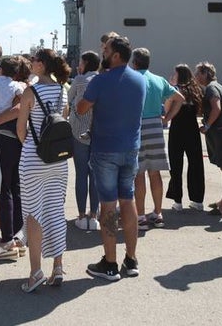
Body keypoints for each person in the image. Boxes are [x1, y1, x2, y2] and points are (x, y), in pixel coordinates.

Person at [78, 34, 145, 282]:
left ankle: (110, 263)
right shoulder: (139, 80)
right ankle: (131, 259)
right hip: (131, 148)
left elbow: (81, 108)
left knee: (108, 205)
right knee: (128, 200)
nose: (102, 54)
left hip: (105, 148)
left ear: (116, 55)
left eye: (106, 50)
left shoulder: (101, 80)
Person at [17, 48, 71, 292]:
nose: (31, 62)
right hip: (58, 159)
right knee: (56, 210)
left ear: (42, 65)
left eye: (34, 60)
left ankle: (35, 272)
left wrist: (30, 146)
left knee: (33, 214)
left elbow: (21, 129)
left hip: (33, 157)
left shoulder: (30, 91)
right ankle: (58, 266)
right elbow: (62, 121)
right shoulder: (62, 90)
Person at [131, 47, 183, 229]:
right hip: (155, 126)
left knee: (138, 174)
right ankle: (158, 213)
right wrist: (167, 118)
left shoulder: (132, 79)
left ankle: (140, 216)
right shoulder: (158, 80)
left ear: (134, 62)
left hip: (136, 127)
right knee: (155, 172)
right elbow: (179, 98)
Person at [0, 54, 29, 259]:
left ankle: (7, 241)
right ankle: (19, 238)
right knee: (15, 187)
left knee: (3, 189)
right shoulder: (19, 87)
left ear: (1, 69)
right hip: (16, 137)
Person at [68, 51, 100, 230]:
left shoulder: (80, 80)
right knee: (95, 175)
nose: (79, 65)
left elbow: (69, 98)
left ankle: (81, 216)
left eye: (80, 62)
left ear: (86, 63)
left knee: (81, 174)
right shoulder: (102, 79)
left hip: (78, 132)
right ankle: (93, 216)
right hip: (98, 133)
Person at [196, 62, 222, 216]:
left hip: (221, 134)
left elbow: (216, 108)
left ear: (206, 73)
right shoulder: (217, 86)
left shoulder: (211, 88)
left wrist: (207, 126)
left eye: (198, 73)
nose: (196, 76)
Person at [166, 64, 204, 212]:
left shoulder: (175, 91)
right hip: (192, 130)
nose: (172, 76)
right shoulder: (196, 91)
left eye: (175, 74)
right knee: (195, 163)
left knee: (176, 164)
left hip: (177, 130)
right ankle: (197, 199)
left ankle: (178, 200)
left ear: (179, 76)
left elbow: (167, 109)